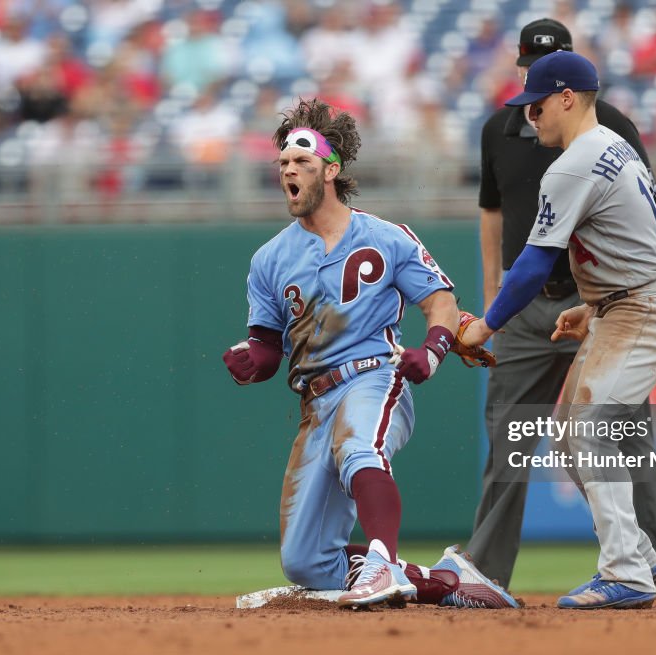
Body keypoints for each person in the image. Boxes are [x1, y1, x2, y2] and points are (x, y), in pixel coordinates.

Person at [222, 98, 518, 610]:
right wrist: (253, 362)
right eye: (284, 164)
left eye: (302, 163)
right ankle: (447, 581)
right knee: (307, 561)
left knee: (360, 449)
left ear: (331, 170)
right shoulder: (269, 258)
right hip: (315, 402)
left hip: (372, 376)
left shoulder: (385, 237)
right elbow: (269, 348)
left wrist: (434, 348)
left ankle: (381, 564)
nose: (289, 171)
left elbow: (440, 300)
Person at [467, 18, 656, 604]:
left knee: (592, 431)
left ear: (566, 98)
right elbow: (639, 240)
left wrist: (485, 323)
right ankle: (641, 561)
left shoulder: (571, 164)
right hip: (625, 305)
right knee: (576, 438)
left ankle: (625, 572)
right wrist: (594, 310)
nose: (530, 115)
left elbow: (532, 265)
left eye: (538, 105)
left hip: (643, 310)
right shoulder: (614, 146)